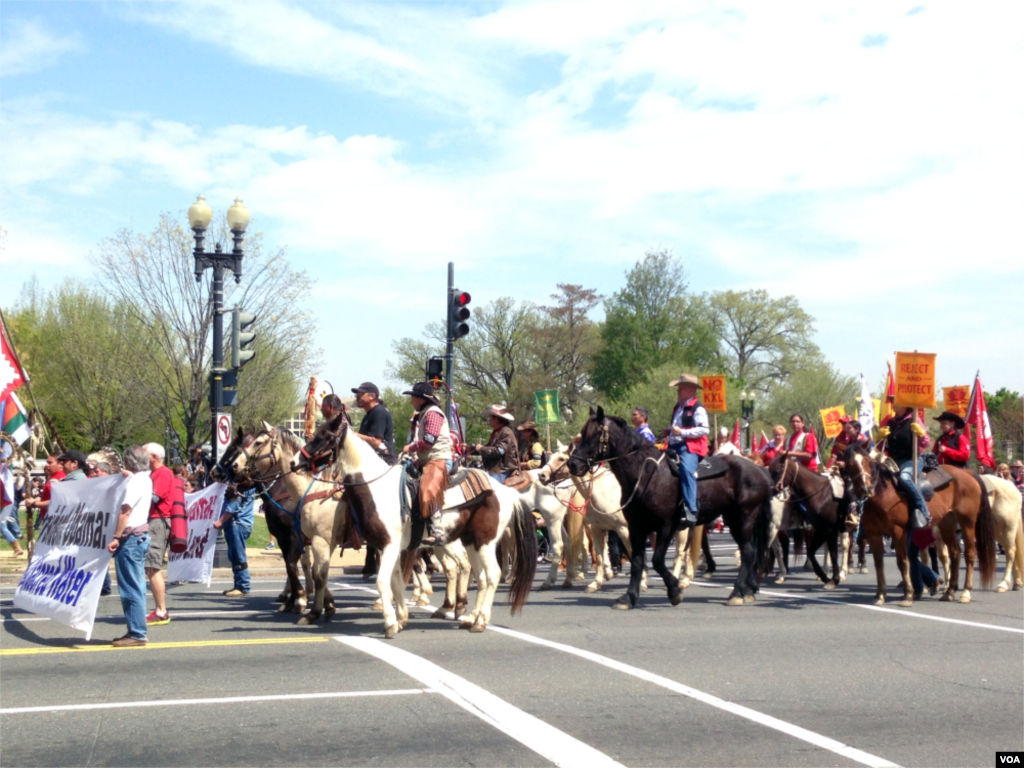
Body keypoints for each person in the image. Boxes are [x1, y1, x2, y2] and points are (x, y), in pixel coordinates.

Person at [108, 445, 154, 647]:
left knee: (130, 588)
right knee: (136, 586)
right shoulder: (145, 479)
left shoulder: (135, 483)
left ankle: (136, 633)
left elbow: (125, 511)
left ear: (129, 462)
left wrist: (116, 536)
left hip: (130, 539)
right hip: (140, 536)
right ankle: (136, 630)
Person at [399, 382, 454, 540]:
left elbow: (429, 440)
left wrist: (410, 448)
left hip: (439, 460)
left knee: (427, 489)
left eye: (413, 398)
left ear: (420, 399)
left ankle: (437, 531)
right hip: (429, 460)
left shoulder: (432, 413)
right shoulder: (426, 413)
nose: (411, 401)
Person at [664, 373, 709, 526]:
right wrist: (669, 431)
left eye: (681, 388)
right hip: (673, 445)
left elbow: (704, 430)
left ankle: (692, 509)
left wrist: (681, 432)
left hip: (691, 447)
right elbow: (677, 427)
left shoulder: (698, 408)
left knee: (686, 469)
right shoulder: (678, 406)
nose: (678, 391)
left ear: (690, 390)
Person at [877, 406, 932, 531]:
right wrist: (880, 437)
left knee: (904, 478)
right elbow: (882, 446)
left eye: (896, 402)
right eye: (893, 402)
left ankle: (924, 511)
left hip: (911, 460)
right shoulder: (891, 422)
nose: (893, 405)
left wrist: (921, 433)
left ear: (905, 405)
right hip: (892, 461)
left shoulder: (915, 419)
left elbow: (926, 443)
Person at [144, 442, 174, 626]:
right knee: (150, 567)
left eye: (144, 453)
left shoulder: (163, 473)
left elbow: (154, 496)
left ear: (154, 457)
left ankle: (161, 611)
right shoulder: (153, 474)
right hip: (153, 521)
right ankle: (159, 609)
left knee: (153, 566)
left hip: (158, 522)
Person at [214, 482, 256, 597]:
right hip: (241, 524)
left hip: (236, 524)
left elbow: (233, 507)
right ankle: (239, 584)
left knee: (237, 555)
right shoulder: (249, 485)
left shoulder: (239, 487)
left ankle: (243, 586)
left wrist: (220, 521)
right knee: (235, 555)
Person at [469, 405, 519, 482]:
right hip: (495, 468)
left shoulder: (506, 432)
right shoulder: (499, 431)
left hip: (502, 470)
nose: (489, 419)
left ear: (496, 419)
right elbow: (490, 448)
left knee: (488, 488)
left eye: (491, 417)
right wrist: (473, 449)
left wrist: (480, 448)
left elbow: (499, 451)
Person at [352, 382, 396, 462]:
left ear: (372, 396)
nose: (357, 397)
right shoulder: (370, 414)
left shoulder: (379, 412)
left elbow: (376, 442)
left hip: (384, 464)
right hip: (376, 462)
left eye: (361, 394)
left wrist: (354, 435)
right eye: (357, 395)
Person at [24, 454, 65, 526]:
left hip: (55, 520)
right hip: (49, 518)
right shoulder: (52, 477)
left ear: (60, 464)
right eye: (47, 462)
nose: (47, 465)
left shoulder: (60, 478)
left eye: (50, 462)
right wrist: (36, 500)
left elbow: (56, 501)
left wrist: (34, 503)